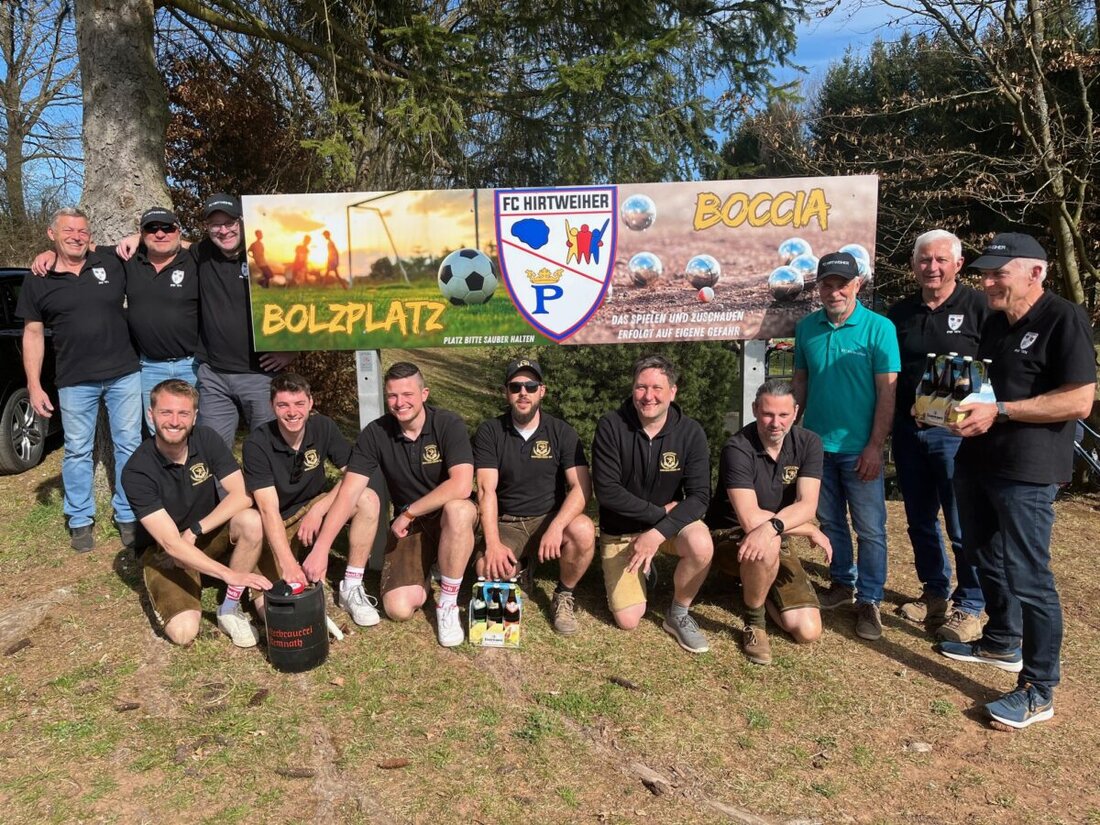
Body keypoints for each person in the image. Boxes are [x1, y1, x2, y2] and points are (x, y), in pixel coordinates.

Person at [937, 233, 1095, 729]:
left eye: (998, 274)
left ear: (1035, 273)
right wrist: (943, 410)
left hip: (1027, 471)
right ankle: (1002, 641)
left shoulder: (1064, 318)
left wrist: (1001, 411)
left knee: (1029, 573)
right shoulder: (995, 323)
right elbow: (982, 390)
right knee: (982, 554)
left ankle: (1039, 688)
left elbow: (1079, 401)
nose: (987, 283)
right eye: (985, 274)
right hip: (978, 461)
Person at [304, 362, 478, 647]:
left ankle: (447, 603)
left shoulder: (448, 424)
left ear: (424, 394)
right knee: (398, 608)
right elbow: (349, 492)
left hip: (448, 518)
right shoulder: (376, 433)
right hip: (411, 528)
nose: (400, 402)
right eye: (392, 396)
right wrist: (321, 548)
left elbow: (461, 485)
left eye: (407, 394)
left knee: (458, 509)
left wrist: (409, 512)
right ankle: (430, 567)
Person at [17, 207, 143, 553]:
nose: (76, 237)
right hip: (74, 380)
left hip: (124, 374)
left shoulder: (110, 261)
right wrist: (33, 384)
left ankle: (128, 514)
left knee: (129, 445)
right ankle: (79, 519)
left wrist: (136, 235)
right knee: (76, 451)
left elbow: (151, 245)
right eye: (68, 231)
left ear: (91, 236)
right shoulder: (38, 278)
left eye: (82, 231)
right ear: (51, 234)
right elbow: (32, 334)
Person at [792, 251, 900, 641]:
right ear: (818, 287)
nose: (834, 292)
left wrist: (875, 446)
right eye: (827, 284)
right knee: (831, 521)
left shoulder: (879, 328)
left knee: (870, 528)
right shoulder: (807, 328)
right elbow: (800, 383)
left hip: (860, 448)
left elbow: (887, 393)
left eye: (842, 284)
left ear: (857, 285)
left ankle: (869, 599)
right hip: (817, 447)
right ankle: (841, 583)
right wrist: (792, 434)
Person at [888, 230, 987, 642]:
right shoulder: (900, 313)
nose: (932, 267)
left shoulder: (979, 307)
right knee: (919, 520)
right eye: (924, 260)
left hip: (956, 436)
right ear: (914, 265)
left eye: (941, 260)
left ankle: (971, 604)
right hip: (909, 431)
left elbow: (994, 366)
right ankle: (934, 592)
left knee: (961, 523)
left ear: (958, 265)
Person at [121, 379, 271, 647]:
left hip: (204, 534)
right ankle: (209, 578)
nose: (174, 421)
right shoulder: (137, 471)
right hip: (166, 551)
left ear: (195, 416)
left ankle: (230, 606)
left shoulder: (206, 439)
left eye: (183, 413)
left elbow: (242, 495)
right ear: (151, 414)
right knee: (183, 632)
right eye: (166, 412)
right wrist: (228, 574)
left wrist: (196, 529)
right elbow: (171, 543)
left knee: (251, 520)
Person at [592, 355, 713, 654]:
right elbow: (607, 492)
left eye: (657, 388)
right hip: (621, 532)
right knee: (629, 619)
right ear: (632, 389)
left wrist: (657, 533)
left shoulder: (691, 432)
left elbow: (699, 497)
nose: (648, 396)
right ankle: (646, 570)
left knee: (700, 543)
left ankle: (678, 613)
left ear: (673, 391)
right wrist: (658, 513)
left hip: (667, 530)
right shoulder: (611, 425)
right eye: (641, 387)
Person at [706, 379, 832, 665]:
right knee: (768, 542)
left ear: (796, 412)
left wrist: (776, 527)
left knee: (807, 631)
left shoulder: (809, 443)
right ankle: (754, 622)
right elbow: (749, 518)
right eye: (767, 414)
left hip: (776, 533)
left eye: (783, 415)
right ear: (755, 410)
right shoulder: (737, 447)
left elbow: (807, 504)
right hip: (729, 533)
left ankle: (755, 586)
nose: (776, 423)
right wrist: (805, 529)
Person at [243, 372, 381, 627]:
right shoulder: (257, 443)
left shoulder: (323, 426)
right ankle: (289, 565)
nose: (292, 412)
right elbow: (268, 510)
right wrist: (287, 564)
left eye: (299, 403)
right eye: (283, 405)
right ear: (272, 406)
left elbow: (354, 474)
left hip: (314, 510)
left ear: (310, 403)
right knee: (274, 611)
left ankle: (352, 585)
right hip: (278, 523)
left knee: (366, 497)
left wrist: (319, 509)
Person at [472, 359, 596, 635]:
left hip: (548, 519)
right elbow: (486, 490)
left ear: (542, 391)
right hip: (507, 522)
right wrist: (492, 543)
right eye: (515, 387)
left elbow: (581, 488)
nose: (523, 393)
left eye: (530, 386)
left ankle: (564, 595)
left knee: (584, 529)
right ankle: (522, 569)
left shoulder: (562, 432)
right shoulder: (490, 431)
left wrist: (557, 526)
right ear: (506, 392)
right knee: (486, 568)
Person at [190, 194, 296, 446]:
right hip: (214, 375)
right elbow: (169, 244)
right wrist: (138, 238)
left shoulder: (267, 253)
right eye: (215, 225)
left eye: (230, 223)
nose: (223, 230)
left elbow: (302, 302)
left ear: (242, 220)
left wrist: (294, 349)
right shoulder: (201, 253)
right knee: (212, 451)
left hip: (260, 374)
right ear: (207, 228)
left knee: (268, 449)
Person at [123, 207, 202, 431]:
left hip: (192, 365)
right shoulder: (130, 260)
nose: (160, 234)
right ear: (142, 233)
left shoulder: (195, 260)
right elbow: (82, 250)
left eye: (167, 228)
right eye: (152, 228)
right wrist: (51, 254)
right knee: (159, 430)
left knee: (194, 429)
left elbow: (221, 249)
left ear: (178, 231)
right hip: (149, 367)